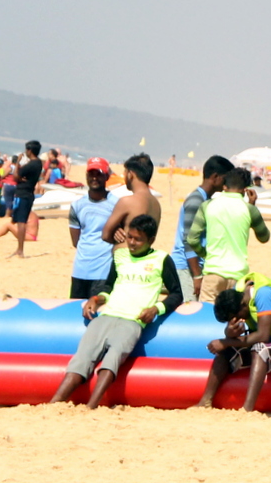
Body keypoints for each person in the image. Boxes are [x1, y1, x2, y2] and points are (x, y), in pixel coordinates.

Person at [48, 214, 181, 409]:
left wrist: (156, 309)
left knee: (113, 359)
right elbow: (108, 286)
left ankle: (92, 406)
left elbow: (177, 294)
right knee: (82, 357)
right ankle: (54, 404)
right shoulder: (119, 256)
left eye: (138, 239)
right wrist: (96, 299)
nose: (132, 243)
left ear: (151, 240)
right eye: (129, 237)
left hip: (132, 321)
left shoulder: (162, 259)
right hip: (107, 315)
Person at [193, 275, 271, 412]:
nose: (239, 320)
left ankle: (248, 409)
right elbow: (235, 337)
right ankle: (205, 401)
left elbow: (263, 336)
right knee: (227, 350)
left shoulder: (264, 295)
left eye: (238, 317)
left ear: (242, 305)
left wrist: (226, 341)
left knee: (260, 349)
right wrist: (229, 334)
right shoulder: (239, 293)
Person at [185, 167, 271, 302]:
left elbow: (192, 239)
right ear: (246, 189)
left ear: (224, 186)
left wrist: (206, 254)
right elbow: (264, 237)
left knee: (208, 316)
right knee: (232, 318)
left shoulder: (207, 205)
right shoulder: (249, 210)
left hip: (213, 272)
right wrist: (253, 206)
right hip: (238, 276)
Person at [171, 155, 233, 304]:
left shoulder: (206, 201)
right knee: (190, 307)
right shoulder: (195, 201)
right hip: (185, 266)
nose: (227, 184)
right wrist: (197, 276)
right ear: (215, 177)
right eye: (226, 179)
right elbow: (189, 240)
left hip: (195, 266)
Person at [68, 158, 121, 299]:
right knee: (76, 314)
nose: (94, 178)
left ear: (107, 176)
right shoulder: (77, 206)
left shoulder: (118, 205)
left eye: (98, 174)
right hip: (80, 271)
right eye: (91, 174)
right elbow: (75, 241)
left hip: (104, 273)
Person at [100, 153, 161, 246]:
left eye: (125, 172)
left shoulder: (127, 202)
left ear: (130, 174)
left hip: (125, 258)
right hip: (144, 257)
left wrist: (115, 232)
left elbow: (105, 235)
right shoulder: (156, 204)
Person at [4, 141, 43, 258]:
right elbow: (20, 176)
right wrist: (21, 176)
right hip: (28, 193)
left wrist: (17, 163)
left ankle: (20, 250)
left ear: (29, 150)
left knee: (21, 222)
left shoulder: (32, 164)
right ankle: (19, 249)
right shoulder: (38, 163)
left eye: (27, 150)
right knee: (20, 220)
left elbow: (15, 176)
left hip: (23, 194)